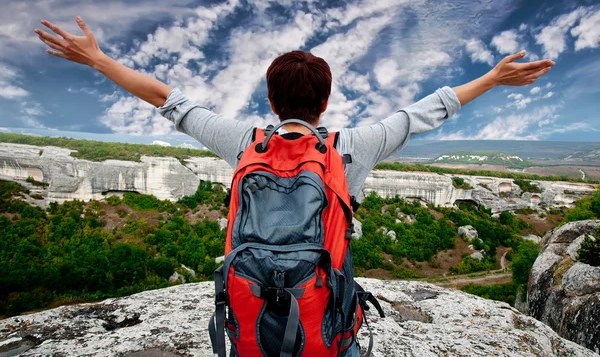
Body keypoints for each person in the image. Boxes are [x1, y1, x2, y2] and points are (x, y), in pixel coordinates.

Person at [35, 17, 553, 356]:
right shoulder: (352, 147)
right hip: (323, 322)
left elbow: (168, 100)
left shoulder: (243, 143)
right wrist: (491, 77)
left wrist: (98, 59)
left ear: (270, 97)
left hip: (252, 317)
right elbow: (424, 114)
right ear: (324, 103)